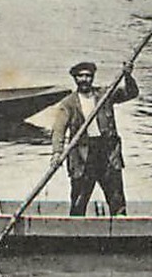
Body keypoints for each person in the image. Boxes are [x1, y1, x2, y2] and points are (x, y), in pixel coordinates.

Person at [50, 61, 140, 216]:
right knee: (79, 202)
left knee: (116, 199)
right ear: (75, 78)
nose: (85, 79)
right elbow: (58, 130)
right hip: (82, 157)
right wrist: (57, 153)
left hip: (107, 154)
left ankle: (120, 231)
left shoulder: (104, 95)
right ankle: (76, 233)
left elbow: (131, 93)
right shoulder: (68, 104)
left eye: (88, 76)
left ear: (92, 78)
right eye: (81, 76)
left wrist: (128, 76)